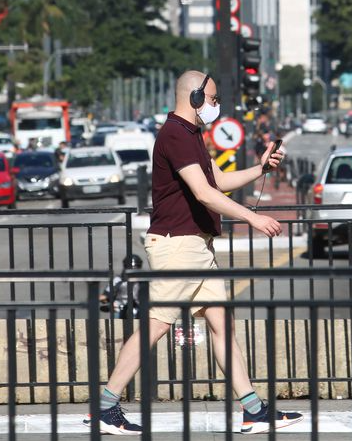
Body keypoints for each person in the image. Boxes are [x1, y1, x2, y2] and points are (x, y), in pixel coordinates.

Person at [84, 70, 303, 435]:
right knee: (154, 326)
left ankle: (253, 410)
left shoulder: (190, 135)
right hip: (179, 246)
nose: (217, 107)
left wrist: (260, 168)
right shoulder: (175, 135)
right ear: (197, 98)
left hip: (196, 246)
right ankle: (105, 408)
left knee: (222, 325)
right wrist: (252, 217)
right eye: (214, 100)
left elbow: (217, 181)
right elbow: (203, 193)